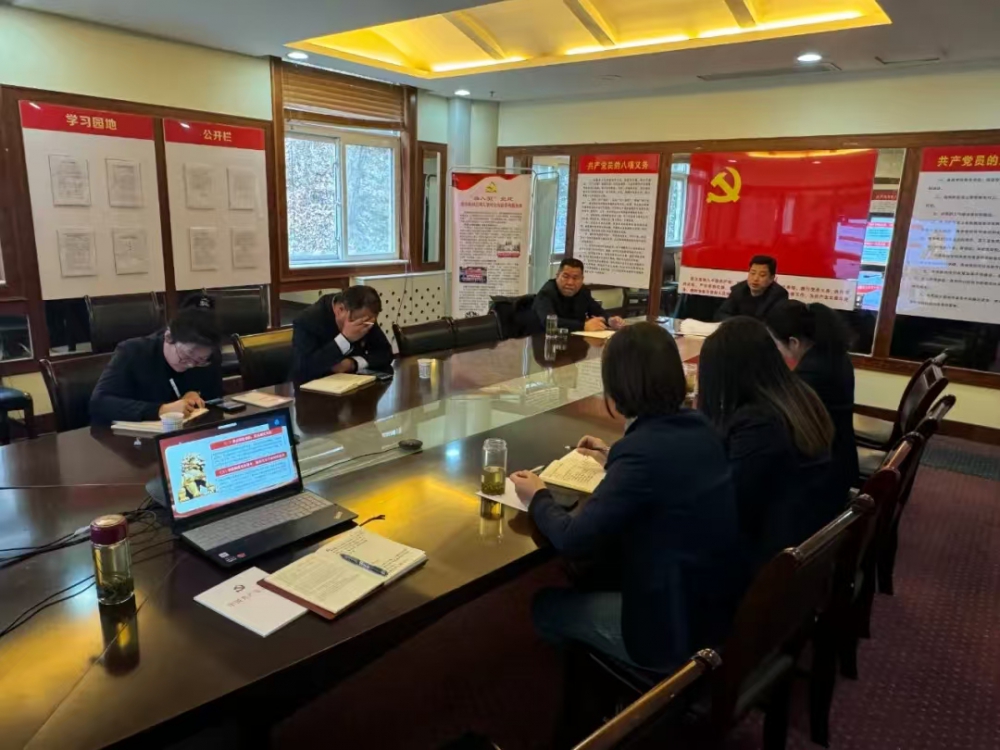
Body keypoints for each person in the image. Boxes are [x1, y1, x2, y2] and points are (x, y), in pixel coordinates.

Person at [509, 323, 746, 672]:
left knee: (544, 607)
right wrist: (613, 458)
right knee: (593, 571)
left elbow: (575, 540)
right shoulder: (699, 426)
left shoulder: (641, 452)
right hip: (715, 605)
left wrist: (538, 496)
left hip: (673, 632)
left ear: (617, 385)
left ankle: (603, 688)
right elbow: (665, 471)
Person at [698, 317, 839, 564]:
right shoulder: (796, 395)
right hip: (801, 535)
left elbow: (726, 505)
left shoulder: (760, 424)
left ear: (729, 374)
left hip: (766, 556)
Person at [766, 300, 859, 496]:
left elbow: (779, 416)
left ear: (794, 342)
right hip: (840, 457)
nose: (776, 350)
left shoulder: (811, 373)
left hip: (825, 474)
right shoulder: (833, 355)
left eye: (776, 344)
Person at [90, 302, 223, 425]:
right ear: (168, 337)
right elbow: (99, 403)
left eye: (199, 361)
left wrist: (196, 396)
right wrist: (161, 410)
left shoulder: (209, 358)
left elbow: (215, 400)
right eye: (186, 356)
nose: (191, 365)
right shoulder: (133, 352)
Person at [290, 285, 392, 386]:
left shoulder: (364, 315)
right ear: (340, 310)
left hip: (353, 386)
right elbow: (303, 369)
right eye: (359, 323)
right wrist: (344, 339)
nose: (363, 326)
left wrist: (353, 363)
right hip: (313, 389)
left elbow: (385, 353)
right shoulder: (307, 320)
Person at [533, 258, 625, 333]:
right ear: (557, 276)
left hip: (575, 341)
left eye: (575, 278)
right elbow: (548, 321)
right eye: (565, 276)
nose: (570, 282)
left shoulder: (583, 291)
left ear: (582, 279)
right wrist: (583, 326)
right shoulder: (546, 293)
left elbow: (596, 310)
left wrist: (609, 320)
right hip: (546, 341)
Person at [714, 255, 788, 321]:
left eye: (762, 275)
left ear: (771, 278)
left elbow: (774, 323)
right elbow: (722, 314)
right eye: (752, 273)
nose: (755, 279)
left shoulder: (779, 295)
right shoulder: (738, 290)